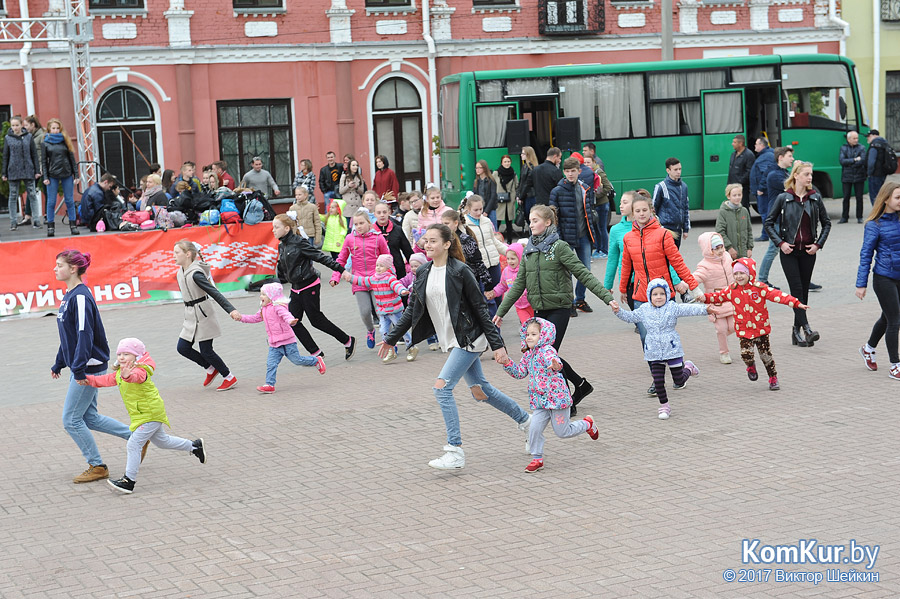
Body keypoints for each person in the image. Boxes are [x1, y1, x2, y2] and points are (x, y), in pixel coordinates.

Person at [378, 224, 532, 470]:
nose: (427, 245)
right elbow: (412, 311)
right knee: (481, 391)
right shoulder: (424, 272)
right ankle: (528, 423)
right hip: (452, 340)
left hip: (470, 339)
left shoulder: (461, 271)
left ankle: (455, 450)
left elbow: (482, 309)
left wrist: (497, 345)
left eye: (433, 241)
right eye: (425, 241)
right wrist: (390, 338)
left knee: (441, 389)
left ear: (447, 244)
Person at [494, 204, 615, 415]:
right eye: (530, 221)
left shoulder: (559, 247)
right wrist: (500, 312)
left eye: (535, 220)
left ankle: (567, 400)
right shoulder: (529, 250)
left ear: (548, 222)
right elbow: (519, 284)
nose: (531, 224)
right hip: (539, 310)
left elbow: (583, 273)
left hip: (559, 307)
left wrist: (607, 298)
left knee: (549, 354)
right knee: (546, 354)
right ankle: (581, 385)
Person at [83, 338, 207, 494]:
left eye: (126, 354)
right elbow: (106, 380)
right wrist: (88, 379)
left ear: (136, 356)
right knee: (162, 442)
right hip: (143, 415)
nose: (121, 357)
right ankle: (195, 446)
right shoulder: (121, 373)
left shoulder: (140, 370)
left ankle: (129, 481)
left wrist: (128, 375)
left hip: (150, 413)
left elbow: (137, 377)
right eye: (120, 354)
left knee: (133, 444)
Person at [50, 249, 133, 483]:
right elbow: (68, 337)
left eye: (59, 265)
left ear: (73, 269)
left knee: (70, 420)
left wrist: (77, 369)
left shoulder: (80, 297)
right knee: (89, 417)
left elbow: (84, 334)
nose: (55, 269)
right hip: (80, 364)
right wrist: (59, 362)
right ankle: (136, 437)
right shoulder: (69, 296)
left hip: (88, 366)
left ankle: (97, 465)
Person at [620, 193, 702, 396]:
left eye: (644, 210)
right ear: (632, 213)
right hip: (640, 295)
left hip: (663, 295)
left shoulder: (663, 234)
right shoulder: (628, 238)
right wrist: (622, 288)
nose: (641, 214)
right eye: (637, 211)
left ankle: (681, 370)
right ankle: (656, 381)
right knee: (647, 337)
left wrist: (694, 287)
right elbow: (627, 265)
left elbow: (677, 262)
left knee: (665, 335)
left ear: (651, 211)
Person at [500, 318, 599, 473]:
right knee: (534, 428)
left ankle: (587, 424)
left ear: (544, 335)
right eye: (527, 334)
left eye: (534, 334)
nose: (529, 337)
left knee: (562, 431)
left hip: (557, 400)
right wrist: (507, 363)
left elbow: (557, 364)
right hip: (540, 402)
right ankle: (537, 458)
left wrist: (555, 365)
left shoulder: (547, 351)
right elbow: (519, 373)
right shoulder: (528, 355)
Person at [701, 258, 806, 391]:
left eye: (742, 273)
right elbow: (718, 297)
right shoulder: (732, 290)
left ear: (750, 273)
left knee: (766, 356)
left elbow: (778, 295)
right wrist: (704, 297)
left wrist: (796, 303)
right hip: (744, 330)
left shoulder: (760, 288)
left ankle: (773, 378)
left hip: (761, 329)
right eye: (736, 274)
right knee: (746, 354)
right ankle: (750, 365)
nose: (738, 277)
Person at [613, 278, 706, 419]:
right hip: (653, 351)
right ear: (649, 296)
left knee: (679, 380)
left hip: (672, 349)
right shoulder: (644, 309)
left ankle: (688, 367)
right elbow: (630, 317)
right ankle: (664, 406)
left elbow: (690, 309)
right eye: (655, 294)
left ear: (667, 294)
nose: (658, 297)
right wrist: (618, 311)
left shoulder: (672, 307)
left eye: (662, 294)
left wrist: (708, 309)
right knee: (658, 381)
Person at [764, 160, 831, 348]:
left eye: (811, 175)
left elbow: (826, 223)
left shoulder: (815, 198)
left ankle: (796, 331)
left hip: (809, 252)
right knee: (796, 290)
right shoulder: (784, 198)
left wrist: (818, 244)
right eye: (807, 174)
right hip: (790, 252)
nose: (810, 178)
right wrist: (781, 243)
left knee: (803, 292)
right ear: (796, 176)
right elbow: (769, 223)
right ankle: (807, 329)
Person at [271, 213, 356, 362]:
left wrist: (341, 270)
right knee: (292, 320)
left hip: (309, 285)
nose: (273, 230)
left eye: (276, 227)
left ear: (286, 228)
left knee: (316, 320)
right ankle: (316, 353)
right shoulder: (281, 245)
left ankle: (348, 340)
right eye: (273, 227)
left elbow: (320, 257)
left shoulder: (299, 243)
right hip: (295, 288)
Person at [173, 239, 240, 391]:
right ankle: (210, 368)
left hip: (203, 314)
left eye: (177, 252)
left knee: (206, 350)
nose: (174, 256)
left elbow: (214, 292)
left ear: (188, 254)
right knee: (182, 347)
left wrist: (231, 310)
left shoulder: (196, 274)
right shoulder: (180, 272)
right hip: (190, 315)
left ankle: (229, 376)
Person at [235, 282, 327, 394]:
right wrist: (241, 318)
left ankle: (316, 360)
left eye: (264, 294)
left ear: (271, 296)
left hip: (287, 341)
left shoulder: (278, 307)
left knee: (297, 360)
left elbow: (286, 315)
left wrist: (290, 321)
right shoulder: (263, 309)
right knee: (271, 364)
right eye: (261, 294)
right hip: (274, 343)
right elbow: (255, 318)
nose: (261, 297)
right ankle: (269, 384)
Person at [856, 182, 900, 380]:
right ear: (886, 199)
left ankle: (868, 348)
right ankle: (895, 365)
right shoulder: (874, 225)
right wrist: (861, 284)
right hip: (884, 278)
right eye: (898, 198)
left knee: (888, 317)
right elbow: (866, 255)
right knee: (895, 321)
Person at [330, 209, 390, 349]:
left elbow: (387, 258)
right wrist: (335, 276)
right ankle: (370, 330)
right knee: (364, 311)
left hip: (377, 280)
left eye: (361, 223)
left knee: (381, 310)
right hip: (358, 281)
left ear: (369, 223)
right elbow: (341, 259)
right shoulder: (350, 239)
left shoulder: (378, 238)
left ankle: (388, 338)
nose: (358, 226)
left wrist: (389, 277)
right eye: (356, 224)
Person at [342, 254, 417, 363]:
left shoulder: (390, 278)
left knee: (401, 330)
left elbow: (397, 285)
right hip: (382, 311)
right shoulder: (373, 278)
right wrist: (351, 278)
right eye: (377, 265)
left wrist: (402, 291)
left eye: (381, 266)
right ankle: (391, 351)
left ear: (387, 268)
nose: (378, 268)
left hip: (394, 310)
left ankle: (412, 347)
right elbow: (362, 281)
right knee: (383, 331)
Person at [550, 156, 596, 315]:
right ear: (564, 172)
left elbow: (588, 213)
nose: (570, 174)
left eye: (573, 171)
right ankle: (569, 302)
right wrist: (559, 239)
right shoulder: (557, 191)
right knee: (567, 272)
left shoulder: (585, 188)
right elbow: (554, 218)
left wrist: (592, 235)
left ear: (579, 171)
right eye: (567, 171)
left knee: (585, 270)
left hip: (583, 235)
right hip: (566, 237)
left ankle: (580, 299)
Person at [692, 233, 736, 364]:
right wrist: (682, 285)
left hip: (731, 299)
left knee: (735, 326)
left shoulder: (728, 257)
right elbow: (694, 278)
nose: (721, 250)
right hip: (716, 303)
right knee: (721, 329)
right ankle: (724, 353)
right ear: (708, 250)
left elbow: (736, 271)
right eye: (716, 248)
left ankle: (722, 337)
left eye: (721, 247)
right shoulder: (704, 266)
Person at [463, 194, 507, 314]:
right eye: (475, 210)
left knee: (498, 293)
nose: (479, 212)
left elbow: (494, 242)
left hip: (494, 262)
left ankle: (497, 316)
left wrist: (509, 252)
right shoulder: (464, 225)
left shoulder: (487, 221)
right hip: (479, 266)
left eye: (481, 209)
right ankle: (488, 320)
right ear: (468, 209)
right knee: (484, 296)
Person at [758, 147, 794, 286]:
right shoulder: (774, 175)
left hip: (786, 217)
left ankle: (802, 279)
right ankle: (761, 280)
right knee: (773, 249)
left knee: (793, 249)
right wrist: (797, 170)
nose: (792, 159)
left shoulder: (783, 172)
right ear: (781, 158)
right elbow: (792, 187)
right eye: (789, 156)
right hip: (777, 218)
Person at [2, 115, 42, 231]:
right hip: (13, 169)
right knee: (13, 195)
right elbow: (6, 156)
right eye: (13, 125)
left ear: (21, 125)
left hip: (28, 169)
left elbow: (34, 154)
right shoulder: (7, 138)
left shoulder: (29, 137)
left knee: (32, 194)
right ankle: (13, 222)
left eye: (17, 125)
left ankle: (36, 220)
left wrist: (37, 170)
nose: (15, 128)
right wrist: (4, 173)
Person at [41, 118, 79, 238]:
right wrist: (45, 177)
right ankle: (51, 227)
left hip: (66, 173)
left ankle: (73, 225)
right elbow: (44, 162)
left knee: (69, 200)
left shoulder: (65, 141)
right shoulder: (45, 143)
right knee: (51, 202)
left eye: (58, 128)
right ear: (49, 129)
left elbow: (72, 159)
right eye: (53, 128)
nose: (56, 130)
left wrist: (76, 175)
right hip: (52, 175)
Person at [486, 243, 533, 324]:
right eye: (508, 258)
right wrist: (494, 293)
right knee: (527, 326)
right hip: (519, 307)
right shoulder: (506, 271)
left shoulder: (526, 269)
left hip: (532, 304)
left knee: (537, 326)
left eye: (513, 258)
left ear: (520, 257)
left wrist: (525, 292)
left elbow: (532, 284)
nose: (510, 261)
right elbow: (502, 285)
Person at [652, 157, 690, 248]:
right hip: (665, 229)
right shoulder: (661, 186)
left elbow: (685, 208)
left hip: (678, 230)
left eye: (680, 169)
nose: (678, 172)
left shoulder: (684, 187)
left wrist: (686, 229)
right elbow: (653, 209)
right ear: (668, 170)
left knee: (675, 257)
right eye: (675, 169)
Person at [374, 200, 413, 282]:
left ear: (389, 212)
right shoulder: (371, 232)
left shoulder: (397, 229)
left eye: (384, 212)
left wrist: (414, 264)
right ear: (375, 214)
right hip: (377, 271)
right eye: (379, 212)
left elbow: (407, 250)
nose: (382, 215)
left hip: (398, 269)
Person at [583, 155, 612, 259]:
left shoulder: (598, 172)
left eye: (588, 162)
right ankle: (598, 249)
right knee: (596, 228)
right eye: (584, 163)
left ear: (593, 162)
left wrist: (595, 195)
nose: (586, 164)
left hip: (602, 204)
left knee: (602, 228)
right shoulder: (587, 173)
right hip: (595, 205)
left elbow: (607, 187)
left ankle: (604, 250)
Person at [716, 183, 754, 260]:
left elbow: (749, 230)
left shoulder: (744, 211)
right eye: (734, 195)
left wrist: (750, 248)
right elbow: (720, 231)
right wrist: (729, 247)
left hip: (744, 253)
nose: (737, 197)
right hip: (729, 253)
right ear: (728, 196)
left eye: (739, 195)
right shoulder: (723, 212)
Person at [749, 137, 776, 241]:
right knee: (767, 213)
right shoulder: (766, 155)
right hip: (764, 191)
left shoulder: (765, 157)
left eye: (756, 144)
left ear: (762, 145)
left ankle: (766, 235)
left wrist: (761, 188)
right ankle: (767, 234)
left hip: (763, 192)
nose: (755, 146)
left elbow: (766, 174)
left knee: (765, 213)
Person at [838, 131, 867, 224]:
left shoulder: (862, 148)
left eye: (857, 138)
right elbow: (842, 161)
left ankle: (860, 217)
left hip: (859, 176)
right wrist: (854, 160)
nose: (856, 140)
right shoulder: (843, 148)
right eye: (854, 138)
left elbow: (862, 160)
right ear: (848, 139)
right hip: (847, 176)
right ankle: (844, 217)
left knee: (859, 197)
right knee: (846, 197)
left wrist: (850, 163)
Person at [493, 154, 518, 243]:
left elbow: (516, 185)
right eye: (505, 162)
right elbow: (493, 185)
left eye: (508, 161)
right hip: (500, 200)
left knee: (509, 222)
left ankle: (510, 241)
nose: (507, 163)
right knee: (498, 221)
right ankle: (495, 239)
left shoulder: (513, 173)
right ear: (501, 163)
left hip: (510, 200)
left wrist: (515, 196)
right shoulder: (496, 173)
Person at [728, 134, 755, 209]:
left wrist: (740, 182)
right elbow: (731, 171)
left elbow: (749, 171)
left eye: (734, 142)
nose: (732, 144)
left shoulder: (749, 155)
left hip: (742, 187)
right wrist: (729, 185)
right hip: (733, 187)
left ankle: (745, 221)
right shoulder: (733, 154)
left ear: (740, 143)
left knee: (743, 207)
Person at [867, 129, 893, 203]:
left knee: (874, 196)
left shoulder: (874, 145)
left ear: (874, 136)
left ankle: (876, 213)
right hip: (883, 173)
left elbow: (871, 162)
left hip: (874, 174)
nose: (867, 138)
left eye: (869, 136)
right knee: (881, 195)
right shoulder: (885, 143)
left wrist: (869, 173)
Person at [516, 146, 539, 229]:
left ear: (528, 155)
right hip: (526, 195)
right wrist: (518, 194)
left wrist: (520, 196)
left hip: (530, 196)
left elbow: (527, 184)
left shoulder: (531, 167)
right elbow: (521, 182)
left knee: (531, 218)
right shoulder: (525, 166)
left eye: (523, 153)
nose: (521, 155)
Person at [473, 159, 498, 228]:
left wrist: (486, 211)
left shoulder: (491, 180)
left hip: (490, 208)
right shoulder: (476, 181)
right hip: (480, 209)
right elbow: (475, 195)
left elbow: (493, 196)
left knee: (493, 229)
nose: (477, 170)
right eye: (476, 168)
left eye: (479, 168)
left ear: (484, 168)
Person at [338, 159, 365, 224]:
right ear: (349, 166)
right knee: (348, 227)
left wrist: (356, 187)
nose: (355, 167)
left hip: (357, 204)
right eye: (353, 165)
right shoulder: (344, 176)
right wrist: (348, 186)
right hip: (348, 205)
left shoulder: (359, 177)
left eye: (356, 165)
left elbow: (362, 191)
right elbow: (341, 191)